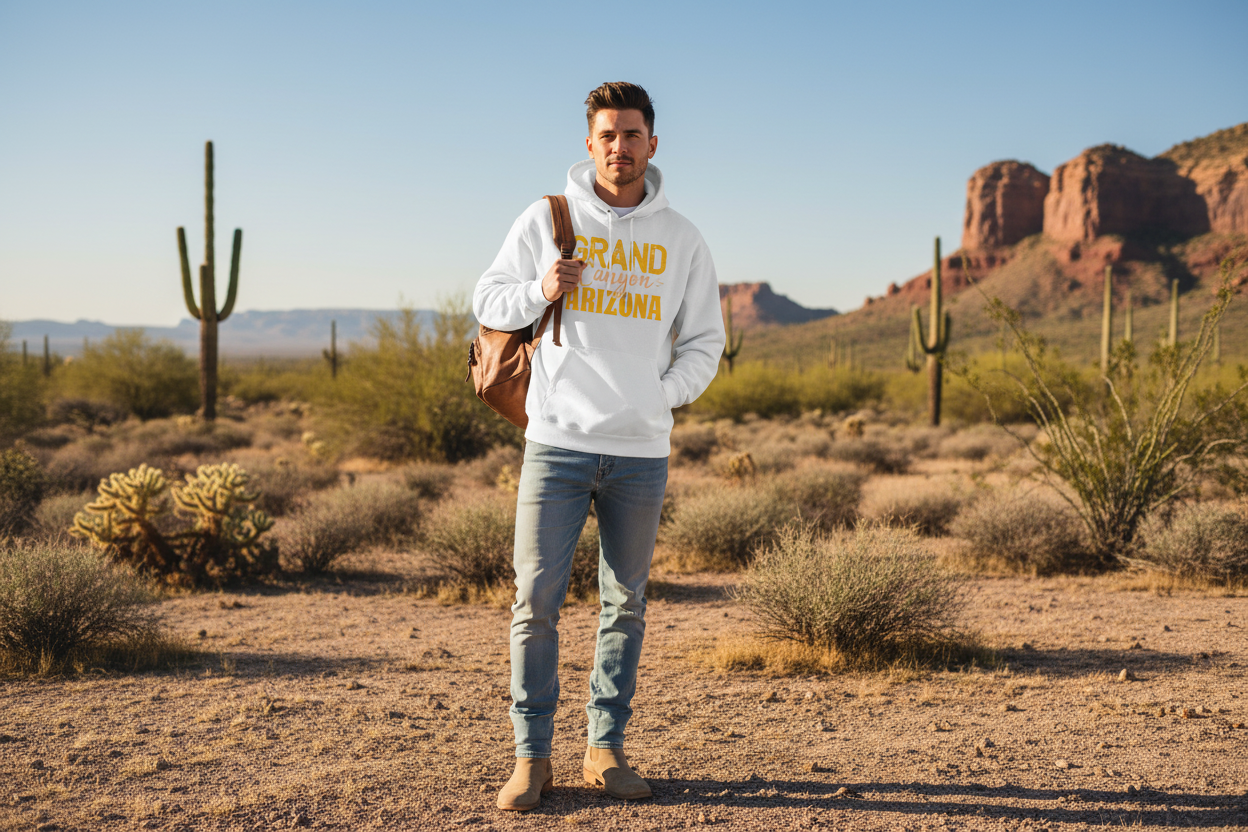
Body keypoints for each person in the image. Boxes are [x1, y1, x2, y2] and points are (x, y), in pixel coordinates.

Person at [473, 81, 726, 812]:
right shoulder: (547, 218)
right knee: (536, 602)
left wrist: (663, 395)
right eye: (607, 135)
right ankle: (531, 757)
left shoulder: (681, 237)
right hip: (556, 444)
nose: (620, 148)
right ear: (590, 144)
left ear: (653, 144)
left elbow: (706, 338)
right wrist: (539, 290)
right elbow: (488, 299)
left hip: (642, 452)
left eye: (632, 134)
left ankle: (605, 748)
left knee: (626, 604)